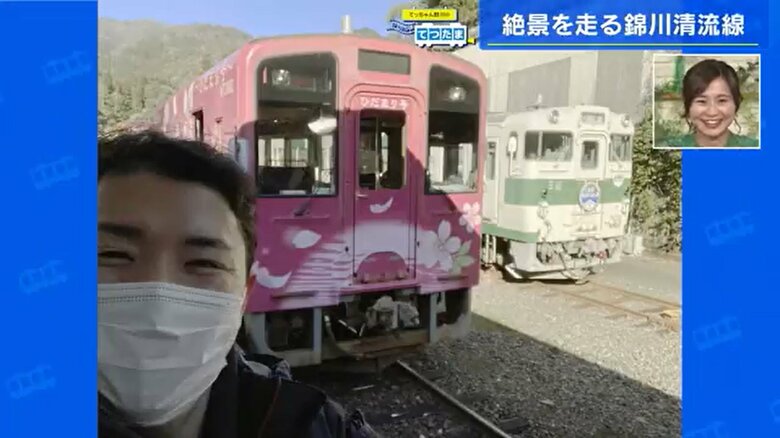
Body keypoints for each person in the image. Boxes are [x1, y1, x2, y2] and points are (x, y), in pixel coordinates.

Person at [97, 130, 377, 438]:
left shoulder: (319, 427)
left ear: (245, 293)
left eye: (204, 263)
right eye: (111, 254)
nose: (157, 293)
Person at [660, 58, 758, 148]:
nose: (712, 112)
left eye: (722, 100)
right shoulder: (667, 151)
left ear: (736, 103)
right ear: (688, 105)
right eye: (702, 101)